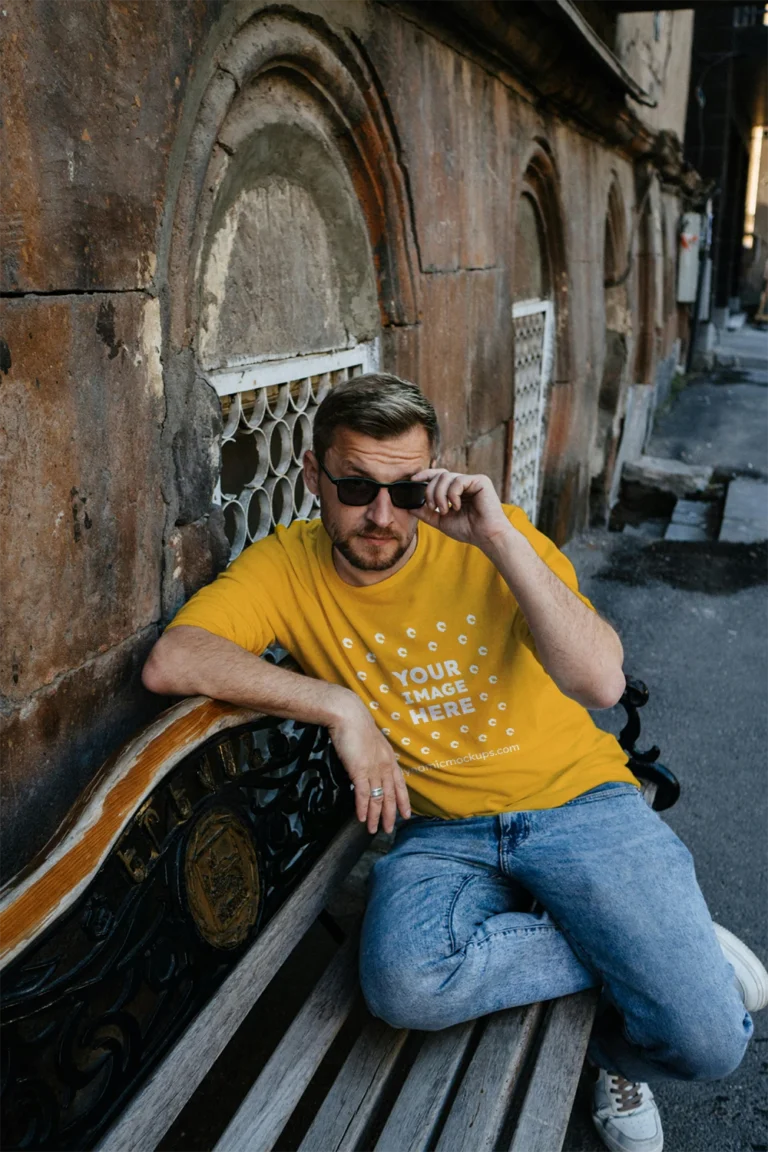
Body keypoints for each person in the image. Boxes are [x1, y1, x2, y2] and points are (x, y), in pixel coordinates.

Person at [142, 373, 767, 1152]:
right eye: (354, 486)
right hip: (443, 832)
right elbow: (174, 660)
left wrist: (500, 540)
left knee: (712, 1041)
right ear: (311, 477)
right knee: (403, 983)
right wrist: (342, 706)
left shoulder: (489, 538)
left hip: (580, 800)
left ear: (432, 477)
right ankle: (651, 945)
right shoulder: (287, 567)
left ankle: (615, 1046)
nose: (379, 516)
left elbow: (601, 681)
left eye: (403, 493)